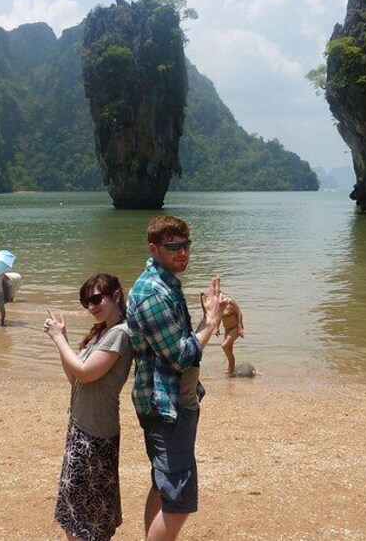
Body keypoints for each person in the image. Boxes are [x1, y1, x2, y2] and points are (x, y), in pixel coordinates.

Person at [126, 215, 226, 540]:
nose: (182, 252)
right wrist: (211, 322)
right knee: (179, 500)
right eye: (173, 246)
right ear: (154, 248)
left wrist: (206, 319)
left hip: (170, 401)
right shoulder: (153, 292)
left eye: (185, 245)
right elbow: (180, 356)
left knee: (162, 485)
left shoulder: (166, 282)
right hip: (165, 407)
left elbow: (178, 346)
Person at [43, 273, 133, 541]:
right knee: (77, 512)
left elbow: (84, 373)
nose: (91, 307)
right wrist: (64, 340)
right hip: (81, 427)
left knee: (87, 516)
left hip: (95, 434)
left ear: (116, 296)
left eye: (96, 299)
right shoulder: (102, 332)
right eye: (86, 302)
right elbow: (75, 378)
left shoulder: (120, 334)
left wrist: (58, 338)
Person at [217, 295, 244, 376]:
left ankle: (231, 368)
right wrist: (217, 328)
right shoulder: (219, 305)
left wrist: (240, 327)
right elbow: (218, 317)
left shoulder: (230, 302)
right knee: (229, 349)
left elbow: (239, 313)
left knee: (224, 346)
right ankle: (231, 370)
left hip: (235, 328)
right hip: (227, 330)